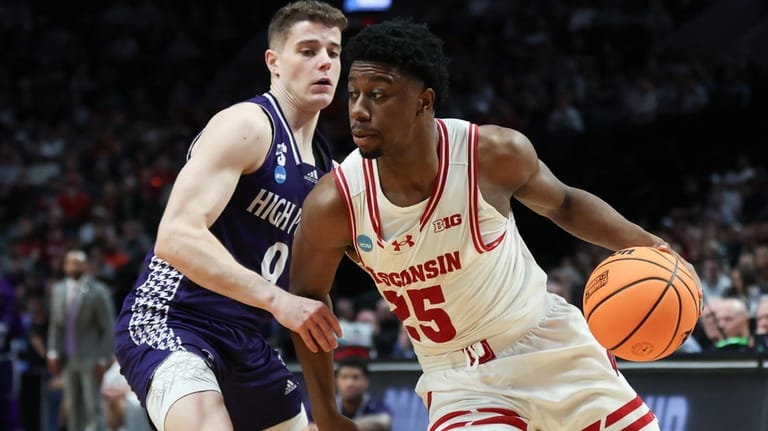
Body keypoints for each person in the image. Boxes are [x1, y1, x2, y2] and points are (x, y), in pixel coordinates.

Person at [289, 18, 702, 431]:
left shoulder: (491, 154)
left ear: (423, 100)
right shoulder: (336, 203)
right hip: (460, 379)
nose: (359, 110)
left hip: (549, 341)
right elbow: (306, 299)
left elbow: (566, 204)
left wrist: (652, 245)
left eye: (378, 95)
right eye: (354, 94)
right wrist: (325, 412)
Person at [113, 2, 348, 430]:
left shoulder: (327, 169)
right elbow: (176, 237)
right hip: (174, 320)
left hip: (247, 337)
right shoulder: (248, 125)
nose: (324, 63)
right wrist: (280, 301)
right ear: (273, 62)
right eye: (309, 50)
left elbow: (316, 290)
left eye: (333, 52)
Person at [48, 249, 116, 431]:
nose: (73, 267)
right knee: (71, 406)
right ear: (64, 266)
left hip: (91, 357)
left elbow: (108, 328)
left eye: (77, 263)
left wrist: (103, 357)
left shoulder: (98, 291)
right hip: (67, 357)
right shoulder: (58, 290)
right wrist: (52, 351)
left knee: (92, 406)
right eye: (70, 263)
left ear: (86, 266)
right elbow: (55, 324)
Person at [333, 357, 392, 431]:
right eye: (344, 377)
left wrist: (337, 427)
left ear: (366, 381)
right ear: (336, 381)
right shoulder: (328, 404)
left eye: (356, 377)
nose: (349, 383)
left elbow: (385, 421)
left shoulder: (375, 405)